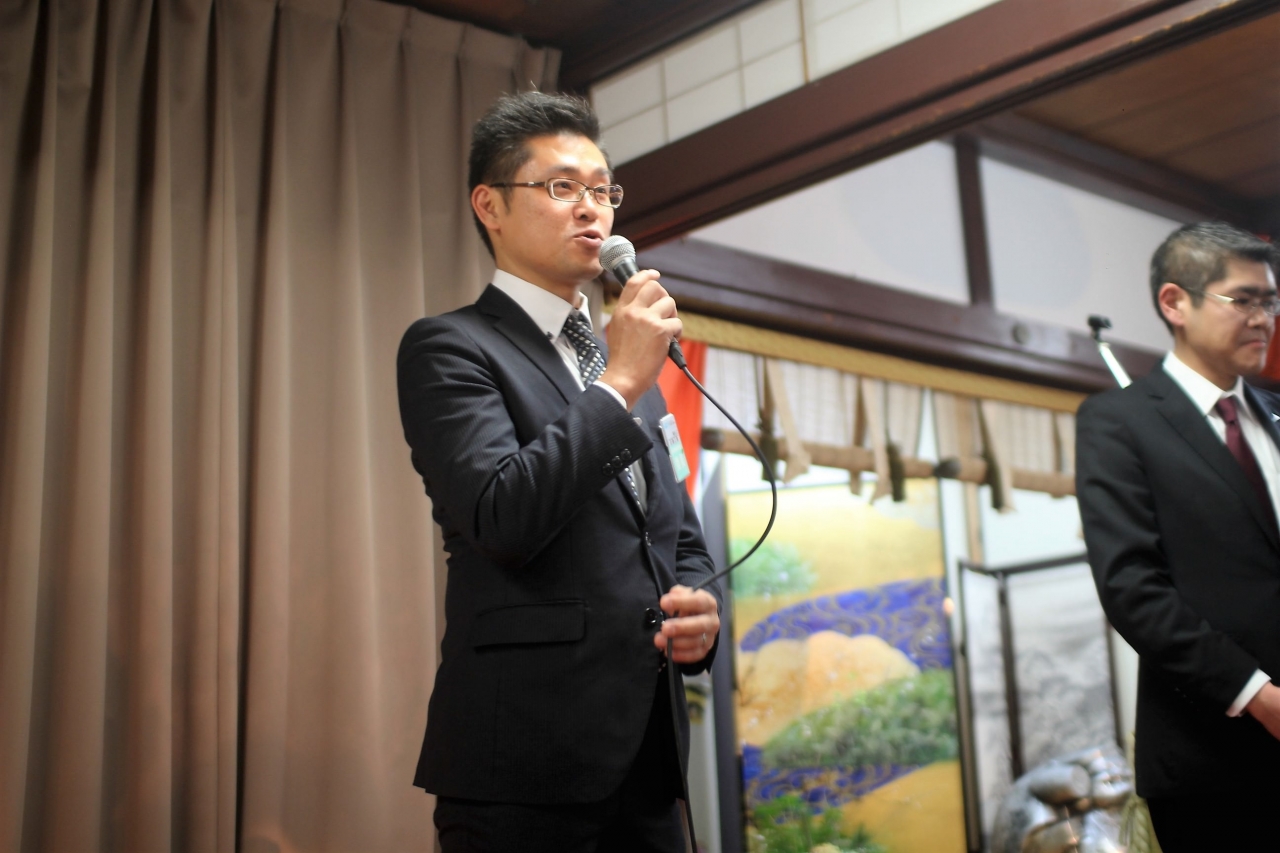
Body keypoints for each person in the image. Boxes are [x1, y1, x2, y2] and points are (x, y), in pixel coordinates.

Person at [396, 91, 722, 853]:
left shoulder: (625, 365)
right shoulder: (452, 347)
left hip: (648, 760)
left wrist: (702, 610)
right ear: (490, 206)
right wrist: (622, 382)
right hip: (523, 762)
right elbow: (502, 515)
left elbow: (677, 535)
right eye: (562, 186)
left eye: (603, 190)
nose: (591, 208)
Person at [1076, 222, 1280, 851]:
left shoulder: (1277, 416)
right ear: (1175, 303)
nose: (1263, 319)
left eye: (1271, 301)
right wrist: (1259, 696)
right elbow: (1133, 588)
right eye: (1243, 300)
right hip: (1212, 765)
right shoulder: (1119, 421)